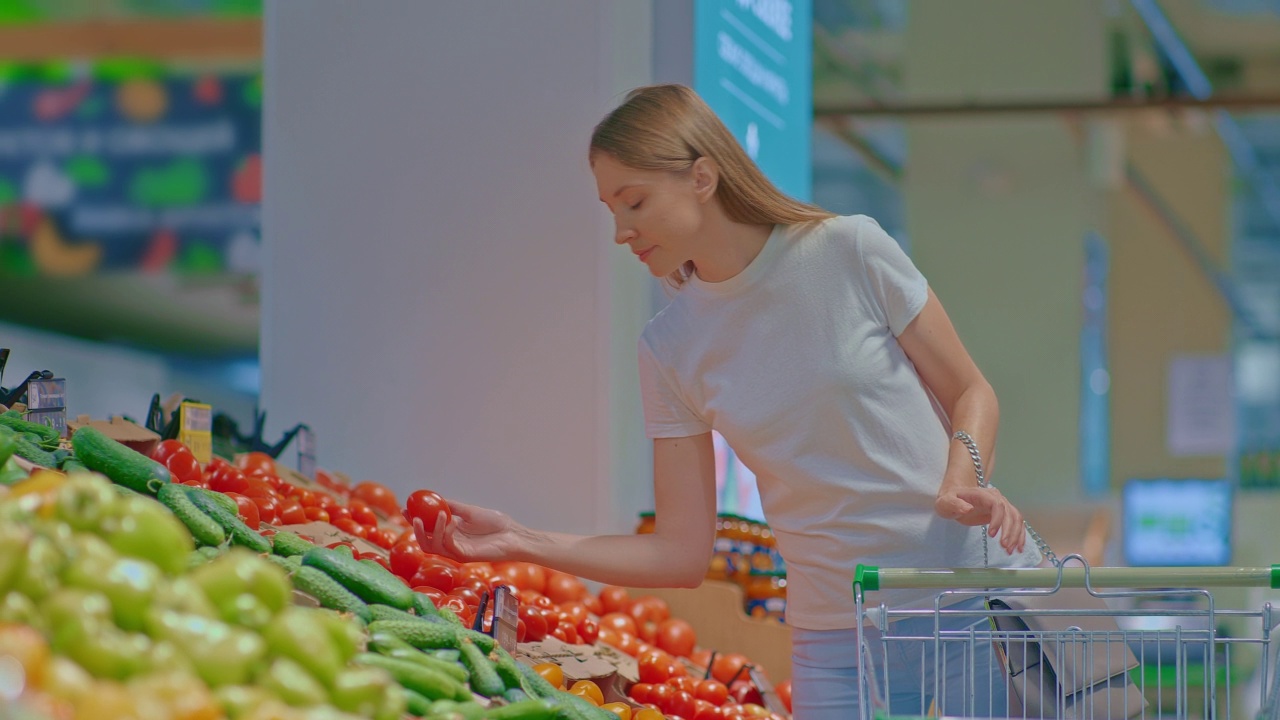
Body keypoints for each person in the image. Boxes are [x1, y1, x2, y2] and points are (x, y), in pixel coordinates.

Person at [414, 84, 1041, 719]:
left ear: (703, 177)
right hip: (833, 634)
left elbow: (970, 389)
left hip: (961, 601)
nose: (619, 231)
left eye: (634, 202)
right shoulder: (670, 348)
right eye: (610, 209)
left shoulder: (849, 249)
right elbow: (680, 553)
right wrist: (521, 539)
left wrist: (961, 478)